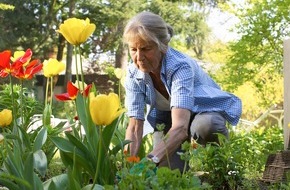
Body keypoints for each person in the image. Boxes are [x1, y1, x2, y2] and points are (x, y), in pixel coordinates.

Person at [123, 11, 242, 172]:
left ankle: (221, 169)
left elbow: (180, 127)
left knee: (206, 126)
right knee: (167, 174)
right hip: (168, 118)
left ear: (162, 46)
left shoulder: (179, 66)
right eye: (133, 49)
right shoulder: (133, 72)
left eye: (146, 49)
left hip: (201, 110)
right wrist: (127, 166)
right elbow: (135, 126)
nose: (139, 57)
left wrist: (150, 160)